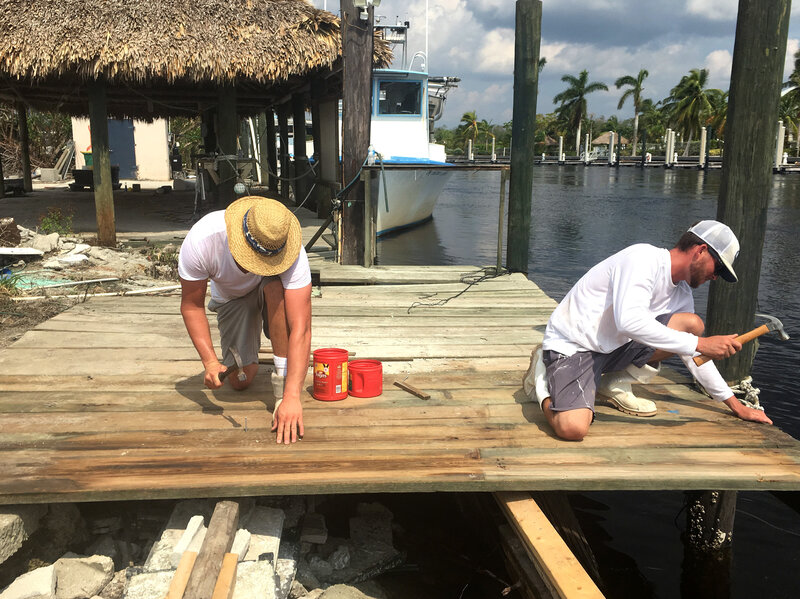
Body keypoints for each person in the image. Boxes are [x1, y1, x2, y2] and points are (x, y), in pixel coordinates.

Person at [523, 220, 773, 442]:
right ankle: (542, 380)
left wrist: (734, 404)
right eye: (718, 268)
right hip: (574, 346)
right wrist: (701, 344)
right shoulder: (642, 258)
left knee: (692, 325)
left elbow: (694, 357)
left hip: (613, 348)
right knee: (573, 429)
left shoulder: (682, 293)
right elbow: (629, 322)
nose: (716, 277)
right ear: (701, 251)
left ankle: (612, 382)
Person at [178, 196, 312, 444]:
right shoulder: (203, 240)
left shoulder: (288, 245)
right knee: (240, 381)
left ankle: (281, 384)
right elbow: (191, 306)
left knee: (273, 286)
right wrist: (209, 362)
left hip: (271, 291)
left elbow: (301, 328)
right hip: (233, 298)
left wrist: (292, 396)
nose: (259, 267)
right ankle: (254, 359)